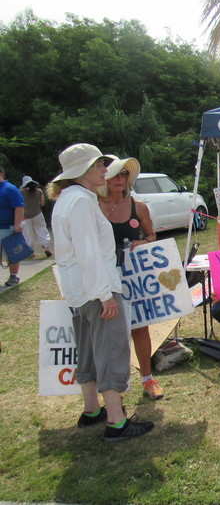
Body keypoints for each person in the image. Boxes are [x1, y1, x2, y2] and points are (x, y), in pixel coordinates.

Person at [48, 143, 154, 442]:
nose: (104, 170)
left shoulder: (68, 199)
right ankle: (117, 421)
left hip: (79, 290)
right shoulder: (81, 202)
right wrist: (105, 294)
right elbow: (89, 253)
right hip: (96, 289)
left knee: (89, 349)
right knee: (110, 349)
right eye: (98, 165)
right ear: (83, 170)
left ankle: (92, 409)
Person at [98, 156, 163, 400]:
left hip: (133, 276)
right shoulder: (95, 205)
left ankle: (148, 379)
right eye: (115, 174)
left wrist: (143, 241)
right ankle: (114, 387)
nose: (119, 179)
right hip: (104, 279)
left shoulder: (139, 207)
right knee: (110, 334)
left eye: (124, 174)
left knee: (140, 327)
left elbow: (152, 235)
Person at [0, 166, 25, 286]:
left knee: (12, 253)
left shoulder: (10, 189)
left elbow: (19, 207)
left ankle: (13, 276)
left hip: (8, 227)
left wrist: (17, 225)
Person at [20, 176, 52, 258]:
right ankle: (46, 248)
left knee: (28, 234)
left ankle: (30, 252)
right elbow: (42, 204)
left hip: (26, 216)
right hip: (37, 214)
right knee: (42, 231)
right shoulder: (39, 191)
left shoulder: (21, 192)